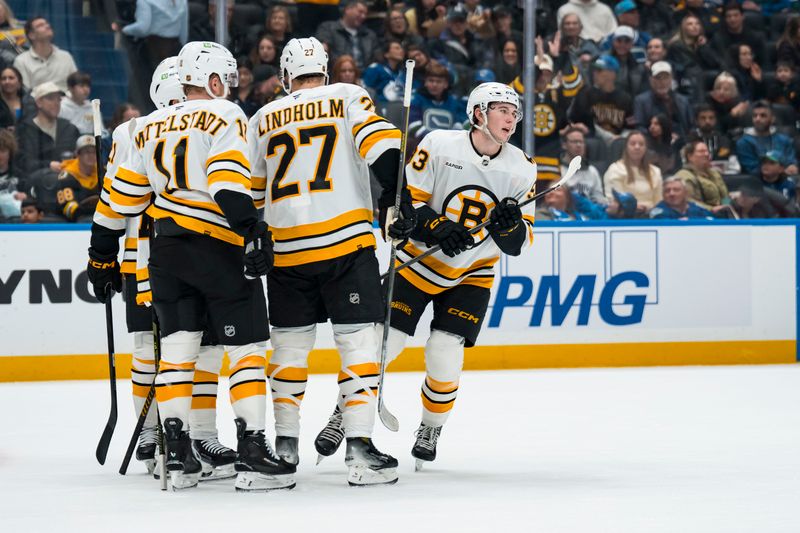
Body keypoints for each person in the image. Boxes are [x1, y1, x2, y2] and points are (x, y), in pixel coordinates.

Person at [88, 41, 291, 492]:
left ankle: (175, 452)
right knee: (247, 351)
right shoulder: (225, 113)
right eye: (227, 80)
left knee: (177, 349)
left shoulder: (146, 125)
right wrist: (251, 228)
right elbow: (224, 180)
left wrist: (100, 254)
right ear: (214, 80)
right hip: (217, 248)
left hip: (165, 254)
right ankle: (253, 450)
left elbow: (118, 201)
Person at [315, 82, 537, 470]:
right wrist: (435, 227)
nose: (511, 118)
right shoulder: (439, 145)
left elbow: (519, 243)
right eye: (502, 109)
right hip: (417, 264)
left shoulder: (522, 167)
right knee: (385, 344)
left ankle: (431, 427)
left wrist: (506, 227)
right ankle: (344, 413)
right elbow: (407, 203)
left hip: (471, 274)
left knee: (444, 354)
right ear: (478, 113)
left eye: (514, 112)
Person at [248, 37, 412, 485]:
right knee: (358, 345)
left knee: (288, 350)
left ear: (285, 77)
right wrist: (400, 198)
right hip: (345, 244)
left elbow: (251, 193)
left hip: (287, 249)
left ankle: (283, 451)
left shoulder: (262, 117)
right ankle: (359, 449)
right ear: (324, 69)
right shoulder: (347, 95)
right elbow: (381, 148)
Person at [93, 57, 238, 480]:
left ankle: (197, 435)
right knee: (151, 347)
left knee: (201, 347)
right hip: (148, 255)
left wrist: (100, 254)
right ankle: (153, 432)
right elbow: (118, 197)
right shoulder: (135, 131)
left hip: (189, 252)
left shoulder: (143, 128)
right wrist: (103, 255)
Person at [16, 81, 80, 177]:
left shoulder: (70, 129)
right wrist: (48, 165)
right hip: (37, 183)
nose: (56, 103)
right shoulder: (24, 130)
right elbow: (23, 163)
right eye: (50, 99)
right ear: (38, 102)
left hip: (69, 181)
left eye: (59, 99)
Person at [568, 55, 635, 144]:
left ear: (612, 74)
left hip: (618, 145)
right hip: (590, 143)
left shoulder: (625, 99)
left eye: (599, 70)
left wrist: (621, 138)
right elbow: (577, 122)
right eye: (595, 70)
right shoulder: (585, 94)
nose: (595, 73)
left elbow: (630, 127)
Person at [603, 131, 663, 215]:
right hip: (625, 216)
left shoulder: (655, 171)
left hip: (652, 216)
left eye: (641, 144)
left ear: (646, 148)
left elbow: (659, 201)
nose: (637, 147)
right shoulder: (615, 169)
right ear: (626, 147)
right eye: (633, 144)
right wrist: (633, 206)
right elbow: (614, 198)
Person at [13, 16, 77, 92]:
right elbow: (24, 93)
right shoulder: (21, 61)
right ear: (31, 35)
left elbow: (76, 85)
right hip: (36, 102)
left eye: (47, 24)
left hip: (65, 102)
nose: (47, 26)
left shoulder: (66, 56)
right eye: (40, 25)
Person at [736, 100, 799, 175]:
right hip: (758, 183)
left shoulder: (784, 140)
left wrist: (792, 166)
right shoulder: (744, 142)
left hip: (786, 179)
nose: (758, 119)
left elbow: (791, 160)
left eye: (763, 115)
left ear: (772, 119)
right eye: (755, 116)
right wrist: (780, 171)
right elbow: (752, 169)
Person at [634, 61, 693, 140]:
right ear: (651, 80)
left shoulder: (683, 101)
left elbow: (691, 126)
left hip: (681, 143)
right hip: (653, 144)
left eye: (665, 77)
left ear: (671, 78)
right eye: (658, 78)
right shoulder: (641, 101)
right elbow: (640, 128)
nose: (662, 82)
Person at [408, 60, 468, 139]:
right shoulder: (416, 100)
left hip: (446, 145)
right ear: (425, 82)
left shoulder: (454, 102)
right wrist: (433, 139)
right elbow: (413, 126)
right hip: (422, 144)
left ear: (446, 84)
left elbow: (459, 124)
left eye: (439, 82)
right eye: (431, 80)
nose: (434, 85)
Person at [317, 0, 380, 71]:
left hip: (365, 77)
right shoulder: (328, 28)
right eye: (360, 12)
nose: (363, 16)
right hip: (336, 76)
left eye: (365, 14)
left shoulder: (370, 35)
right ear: (347, 9)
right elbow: (323, 51)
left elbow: (377, 59)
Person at [674, 140, 730, 213]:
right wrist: (711, 209)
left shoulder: (714, 173)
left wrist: (726, 205)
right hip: (699, 216)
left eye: (707, 151)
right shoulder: (684, 176)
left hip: (722, 213)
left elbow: (725, 195)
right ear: (690, 156)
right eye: (701, 151)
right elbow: (688, 200)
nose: (706, 154)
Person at [55, 135, 99, 222]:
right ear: (77, 154)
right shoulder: (66, 176)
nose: (91, 155)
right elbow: (68, 206)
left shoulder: (104, 172)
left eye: (94, 152)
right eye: (86, 152)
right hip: (77, 221)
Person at [561, 126, 606, 206]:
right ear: (564, 145)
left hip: (588, 214)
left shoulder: (592, 171)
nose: (579, 145)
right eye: (574, 142)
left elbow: (599, 199)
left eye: (581, 142)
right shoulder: (557, 169)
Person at [687, 103, 736, 172]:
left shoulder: (724, 140)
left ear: (715, 120)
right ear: (696, 121)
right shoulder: (689, 140)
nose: (707, 121)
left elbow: (734, 166)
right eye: (703, 118)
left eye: (711, 118)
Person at [649, 176, 714, 219]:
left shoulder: (695, 208)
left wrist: (689, 220)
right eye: (667, 191)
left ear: (685, 193)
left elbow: (711, 219)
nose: (671, 193)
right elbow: (665, 225)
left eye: (676, 190)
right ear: (663, 194)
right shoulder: (659, 211)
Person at [536, 186, 608, 220]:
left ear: (567, 197)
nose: (551, 192)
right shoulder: (536, 215)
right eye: (548, 190)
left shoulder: (580, 219)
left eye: (557, 190)